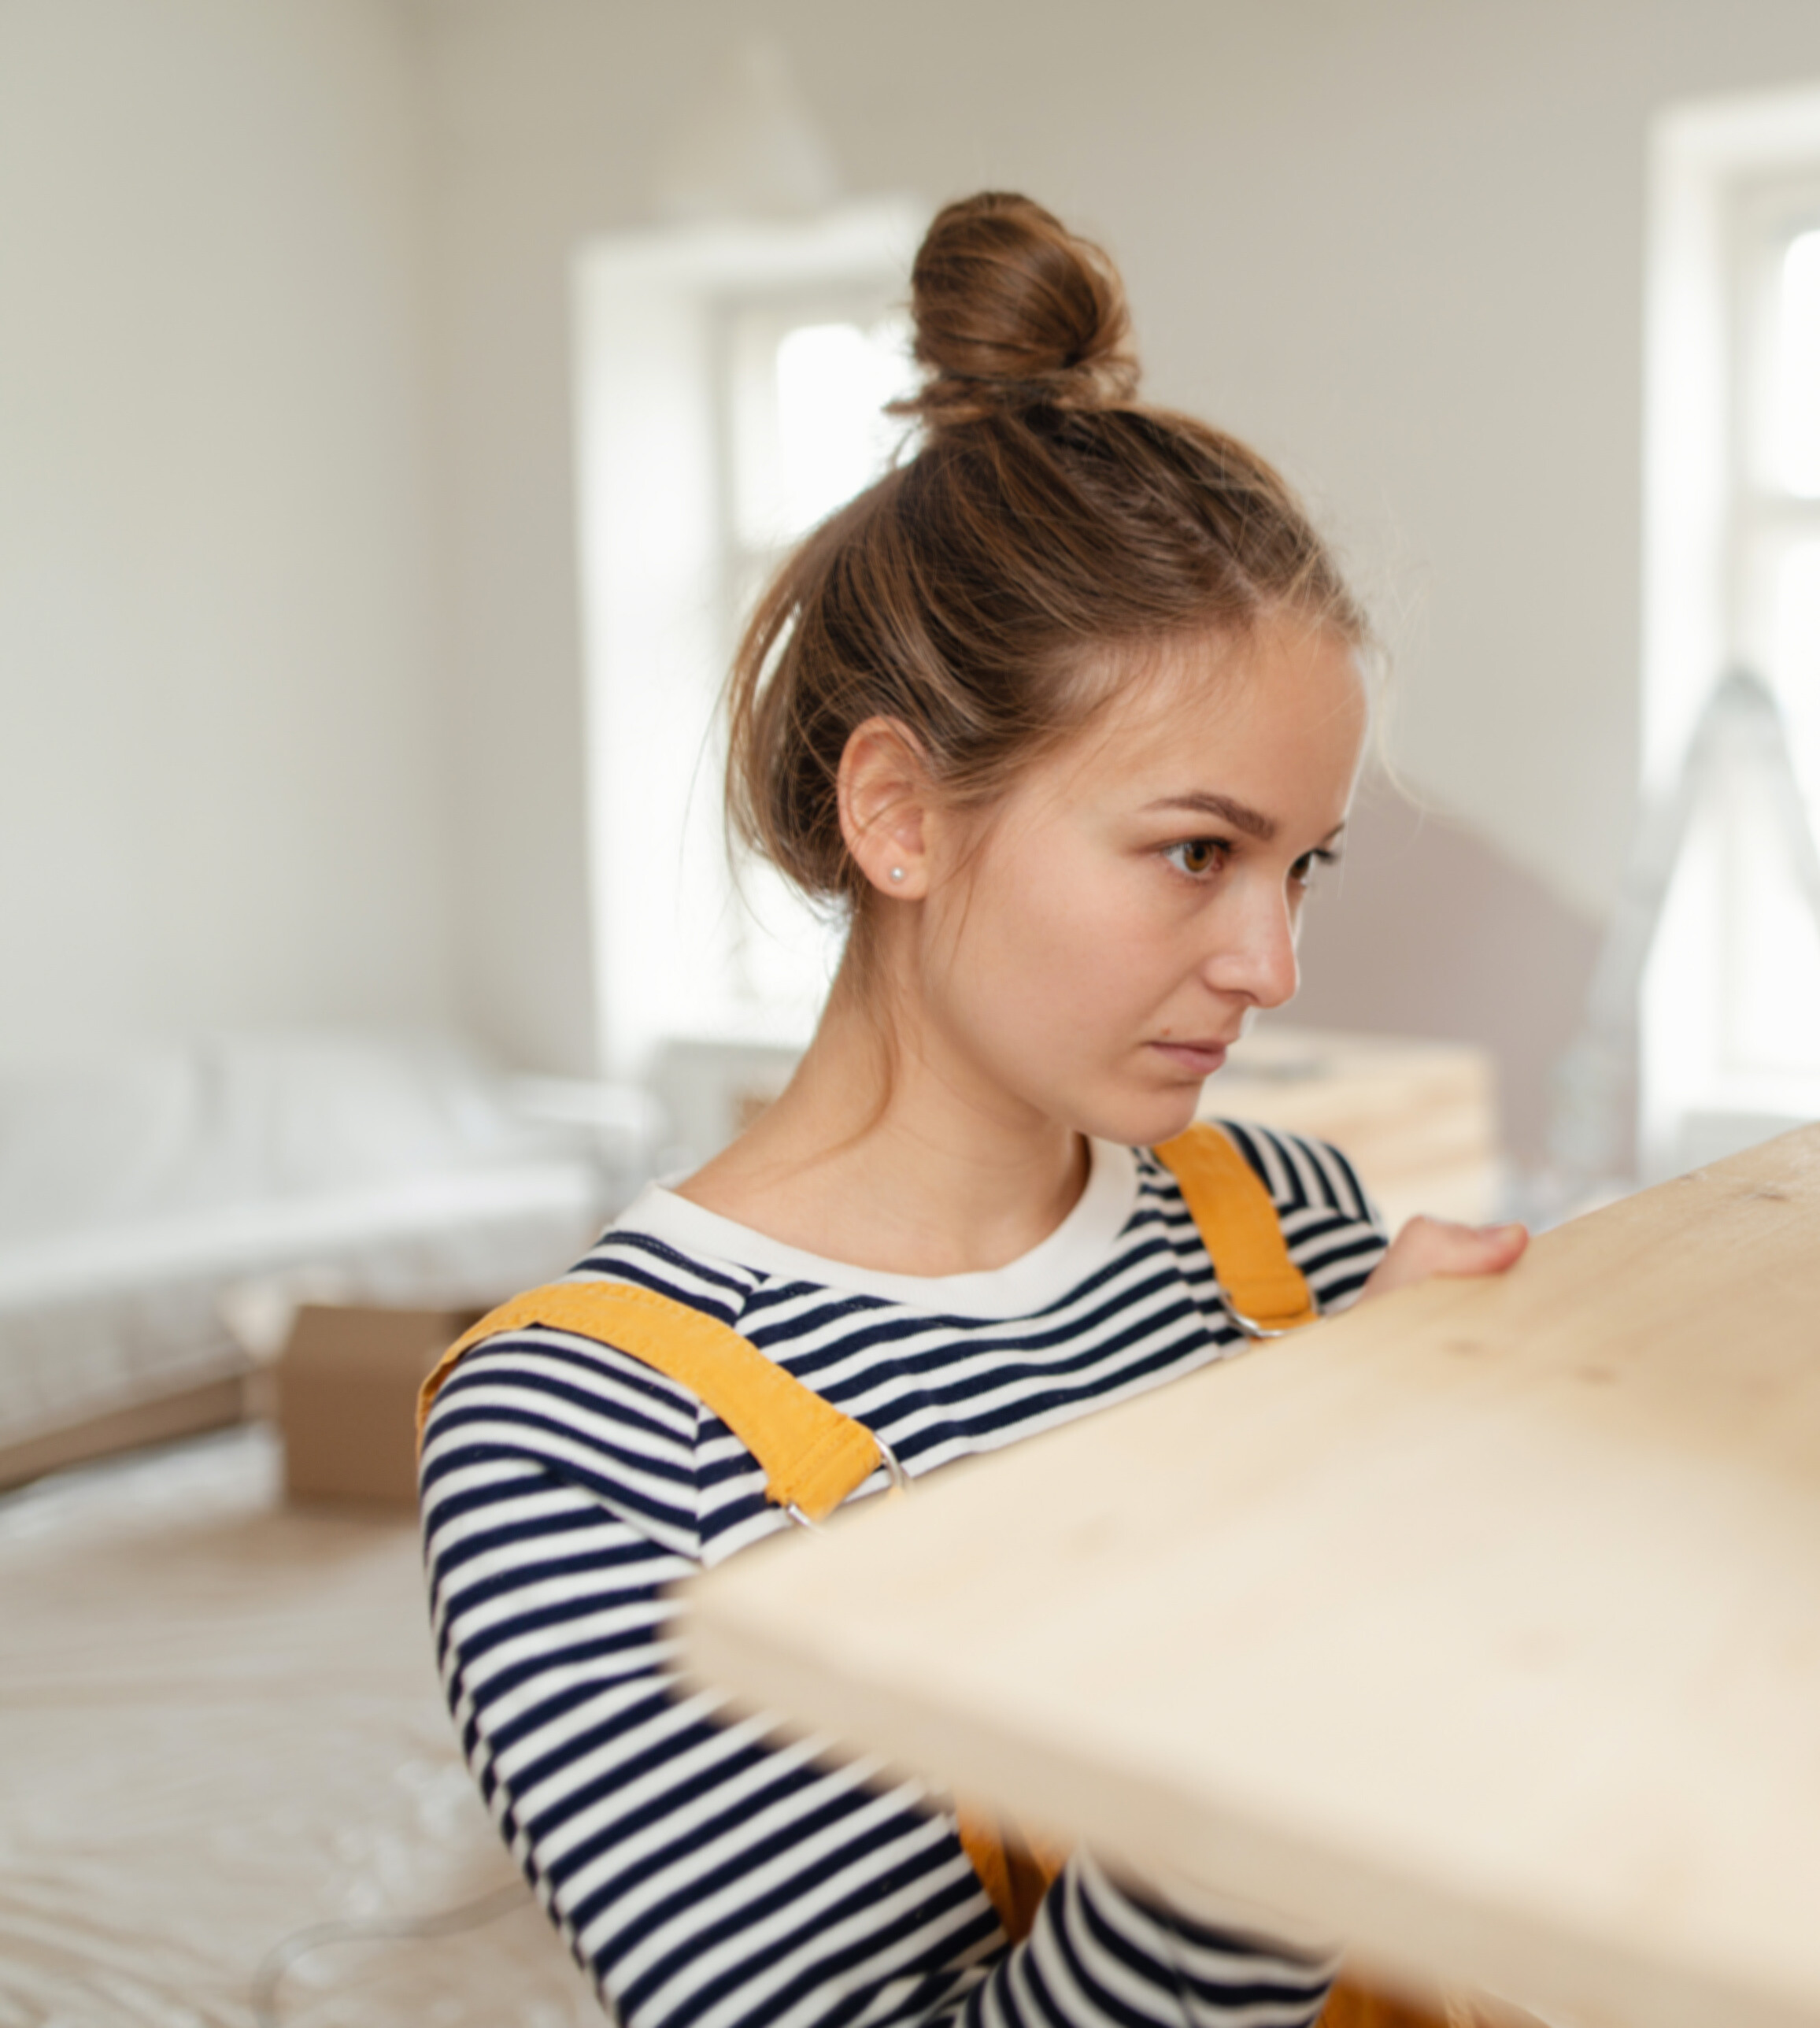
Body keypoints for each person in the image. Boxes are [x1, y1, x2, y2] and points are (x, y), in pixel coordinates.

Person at [420, 191, 1527, 2028]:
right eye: (1196, 852)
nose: (1273, 961)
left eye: (1302, 866)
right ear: (903, 815)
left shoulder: (1296, 1221)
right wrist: (1309, 1553)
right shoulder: (591, 1440)